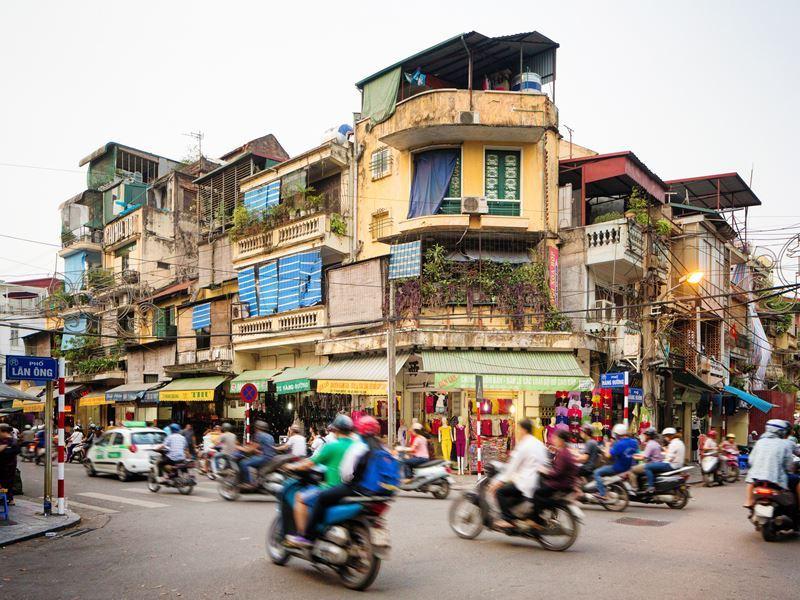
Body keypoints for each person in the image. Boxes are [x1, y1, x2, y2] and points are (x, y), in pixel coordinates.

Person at [284, 415, 355, 547]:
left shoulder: (332, 447)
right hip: (352, 489)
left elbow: (309, 463)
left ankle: (303, 536)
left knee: (300, 497)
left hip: (333, 488)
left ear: (336, 430)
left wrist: (291, 466)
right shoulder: (357, 446)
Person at [489, 418, 550, 528]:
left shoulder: (524, 445)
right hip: (537, 480)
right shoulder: (538, 443)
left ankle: (508, 519)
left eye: (518, 429)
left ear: (523, 430)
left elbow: (512, 466)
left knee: (500, 492)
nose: (517, 432)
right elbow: (545, 461)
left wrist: (500, 482)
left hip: (525, 481)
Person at [744, 419, 798, 509]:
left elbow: (751, 460)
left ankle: (749, 500)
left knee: (750, 481)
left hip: (756, 477)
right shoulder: (784, 444)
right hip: (776, 479)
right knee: (797, 481)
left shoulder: (760, 442)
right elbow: (788, 465)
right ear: (782, 431)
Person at [530, 429, 579, 527]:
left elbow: (557, 472)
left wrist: (544, 471)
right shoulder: (564, 451)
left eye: (555, 438)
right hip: (566, 481)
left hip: (560, 483)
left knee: (536, 493)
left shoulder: (563, 454)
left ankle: (536, 519)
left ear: (561, 440)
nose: (553, 440)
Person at [593, 424, 638, 501]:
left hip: (618, 468)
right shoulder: (634, 442)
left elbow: (607, 455)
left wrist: (607, 445)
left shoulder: (619, 444)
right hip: (628, 467)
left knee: (596, 472)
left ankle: (602, 493)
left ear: (618, 434)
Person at [637, 427, 685, 494]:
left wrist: (664, 459)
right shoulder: (680, 442)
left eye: (665, 436)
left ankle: (650, 487)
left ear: (670, 436)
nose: (665, 438)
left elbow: (669, 457)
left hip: (670, 465)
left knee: (647, 467)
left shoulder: (673, 444)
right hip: (678, 464)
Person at [239, 420, 275, 486]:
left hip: (264, 457)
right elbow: (263, 447)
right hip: (270, 457)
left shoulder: (259, 435)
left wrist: (239, 447)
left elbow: (250, 449)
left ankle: (247, 483)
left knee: (243, 463)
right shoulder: (270, 436)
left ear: (257, 428)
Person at [0, 423, 20, 505]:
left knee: (8, 483)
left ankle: (10, 499)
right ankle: (5, 498)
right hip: (3, 466)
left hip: (9, 467)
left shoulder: (13, 441)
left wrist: (4, 447)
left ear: (3, 432)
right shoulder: (3, 441)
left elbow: (15, 451)